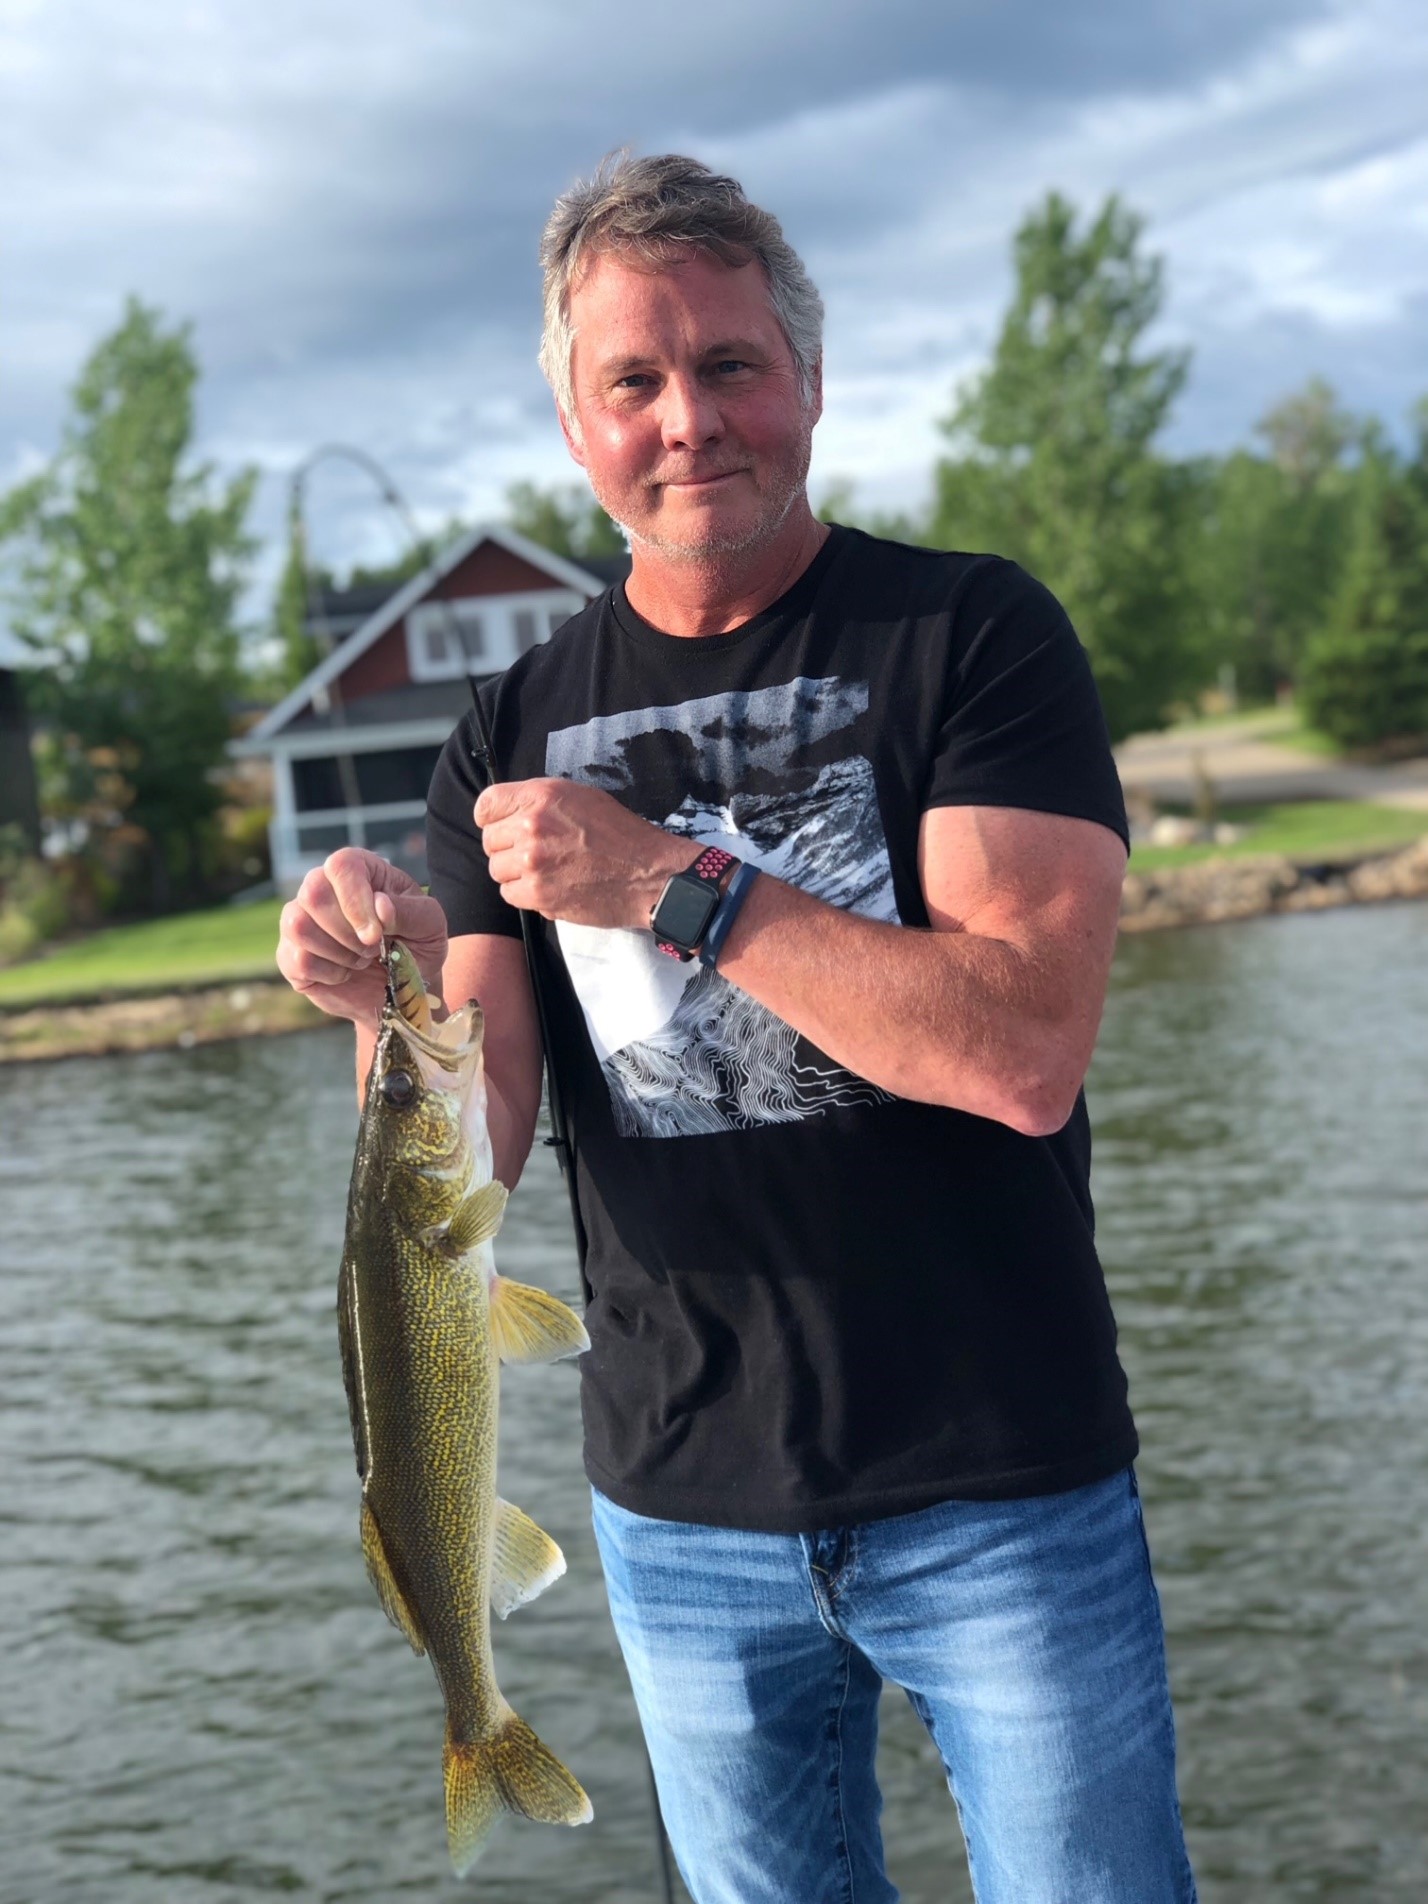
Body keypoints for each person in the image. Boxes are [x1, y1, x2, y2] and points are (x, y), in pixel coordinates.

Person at [276, 153, 1197, 1904]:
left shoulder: (971, 635)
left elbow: (1021, 1052)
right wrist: (383, 982)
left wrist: (671, 886)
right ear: (575, 425)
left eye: (731, 364)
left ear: (809, 382)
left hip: (999, 1479)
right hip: (681, 1514)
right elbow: (465, 1137)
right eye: (634, 380)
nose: (689, 419)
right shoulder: (507, 726)